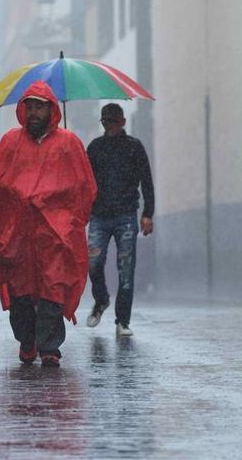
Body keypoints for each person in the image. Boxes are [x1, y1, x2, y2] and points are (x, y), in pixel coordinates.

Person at [0, 81, 97, 367]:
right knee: (21, 290)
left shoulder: (69, 143)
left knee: (52, 288)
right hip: (19, 231)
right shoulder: (10, 143)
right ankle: (27, 340)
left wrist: (71, 223)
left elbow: (84, 187)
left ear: (51, 109)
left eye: (39, 107)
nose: (33, 112)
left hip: (55, 233)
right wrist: (6, 220)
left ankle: (49, 346)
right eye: (29, 106)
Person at [85, 103, 155, 337]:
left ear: (123, 122)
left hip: (126, 215)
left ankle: (122, 320)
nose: (110, 125)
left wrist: (148, 213)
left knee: (126, 269)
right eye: (105, 121)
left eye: (113, 121)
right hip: (99, 214)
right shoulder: (94, 148)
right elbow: (84, 180)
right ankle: (101, 299)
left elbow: (146, 181)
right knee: (93, 262)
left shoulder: (134, 148)